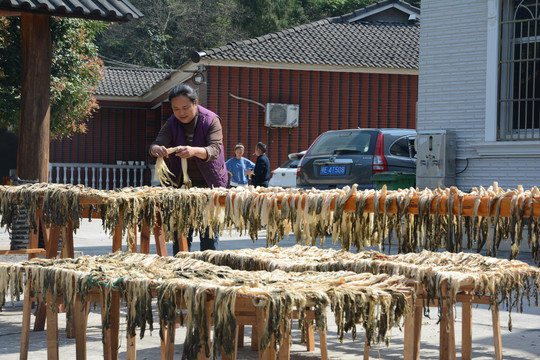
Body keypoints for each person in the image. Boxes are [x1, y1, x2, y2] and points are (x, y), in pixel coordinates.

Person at [149, 83, 227, 253]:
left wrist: (194, 151)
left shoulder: (211, 120)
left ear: (195, 103)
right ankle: (181, 269)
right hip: (182, 185)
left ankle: (209, 269)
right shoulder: (172, 122)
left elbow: (214, 150)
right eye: (176, 109)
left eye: (185, 107)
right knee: (182, 232)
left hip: (210, 184)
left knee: (209, 233)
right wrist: (156, 150)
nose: (181, 113)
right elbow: (157, 142)